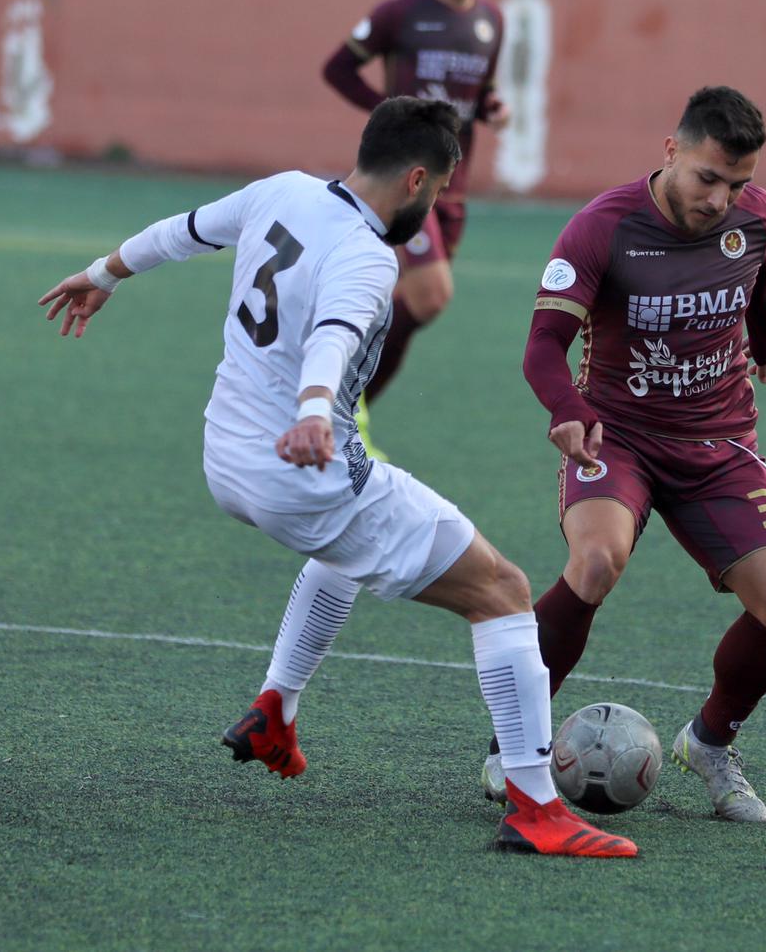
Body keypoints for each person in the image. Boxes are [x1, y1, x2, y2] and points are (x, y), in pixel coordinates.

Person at [38, 97, 636, 858]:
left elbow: (181, 232)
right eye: (438, 191)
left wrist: (102, 274)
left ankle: (274, 710)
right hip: (300, 466)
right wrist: (316, 412)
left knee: (351, 542)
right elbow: (333, 335)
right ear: (416, 179)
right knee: (504, 591)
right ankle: (537, 807)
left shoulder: (282, 190)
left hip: (226, 456)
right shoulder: (367, 254)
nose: (434, 206)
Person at [481, 86, 766, 823]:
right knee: (596, 561)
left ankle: (711, 744)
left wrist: (765, 336)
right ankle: (516, 741)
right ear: (671, 151)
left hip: (719, 440)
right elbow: (542, 347)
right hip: (619, 436)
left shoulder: (756, 216)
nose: (721, 200)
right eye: (708, 178)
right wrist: (568, 409)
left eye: (737, 183)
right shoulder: (602, 228)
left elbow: (755, 273)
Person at [323, 0, 509, 453]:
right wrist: (390, 117)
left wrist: (492, 107)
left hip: (454, 187)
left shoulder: (492, 22)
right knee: (431, 295)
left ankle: (337, 408)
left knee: (402, 300)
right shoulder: (400, 13)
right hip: (406, 181)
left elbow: (478, 93)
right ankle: (345, 404)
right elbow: (337, 69)